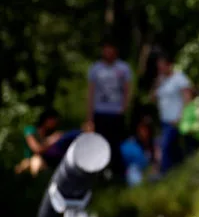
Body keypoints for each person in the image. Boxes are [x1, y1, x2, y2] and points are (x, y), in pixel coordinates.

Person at [87, 38, 132, 179]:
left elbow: (127, 90)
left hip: (116, 113)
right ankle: (100, 172)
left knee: (116, 144)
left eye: (111, 50)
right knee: (99, 143)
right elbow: (90, 93)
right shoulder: (95, 69)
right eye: (106, 50)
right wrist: (89, 117)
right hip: (100, 112)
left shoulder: (123, 68)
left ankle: (118, 172)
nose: (108, 53)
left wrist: (124, 108)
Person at [153, 53, 192, 174]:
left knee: (163, 145)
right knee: (173, 148)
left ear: (169, 65)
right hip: (164, 119)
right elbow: (152, 98)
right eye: (158, 67)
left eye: (162, 66)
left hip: (176, 119)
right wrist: (157, 83)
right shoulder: (161, 81)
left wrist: (181, 115)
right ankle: (178, 169)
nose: (160, 69)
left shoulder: (179, 78)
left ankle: (162, 172)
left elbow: (188, 98)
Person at [16, 109, 83, 176]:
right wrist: (52, 140)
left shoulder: (51, 133)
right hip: (30, 160)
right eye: (55, 120)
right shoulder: (30, 130)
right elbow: (36, 149)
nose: (56, 123)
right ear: (47, 120)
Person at [121, 115, 157, 186]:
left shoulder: (153, 144)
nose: (144, 132)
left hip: (147, 172)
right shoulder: (128, 145)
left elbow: (155, 163)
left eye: (147, 129)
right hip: (134, 172)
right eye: (142, 129)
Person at [178, 87, 199, 157]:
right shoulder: (184, 108)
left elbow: (198, 119)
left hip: (193, 134)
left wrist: (191, 128)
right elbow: (181, 121)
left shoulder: (195, 105)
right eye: (183, 95)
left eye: (186, 95)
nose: (184, 97)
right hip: (184, 134)